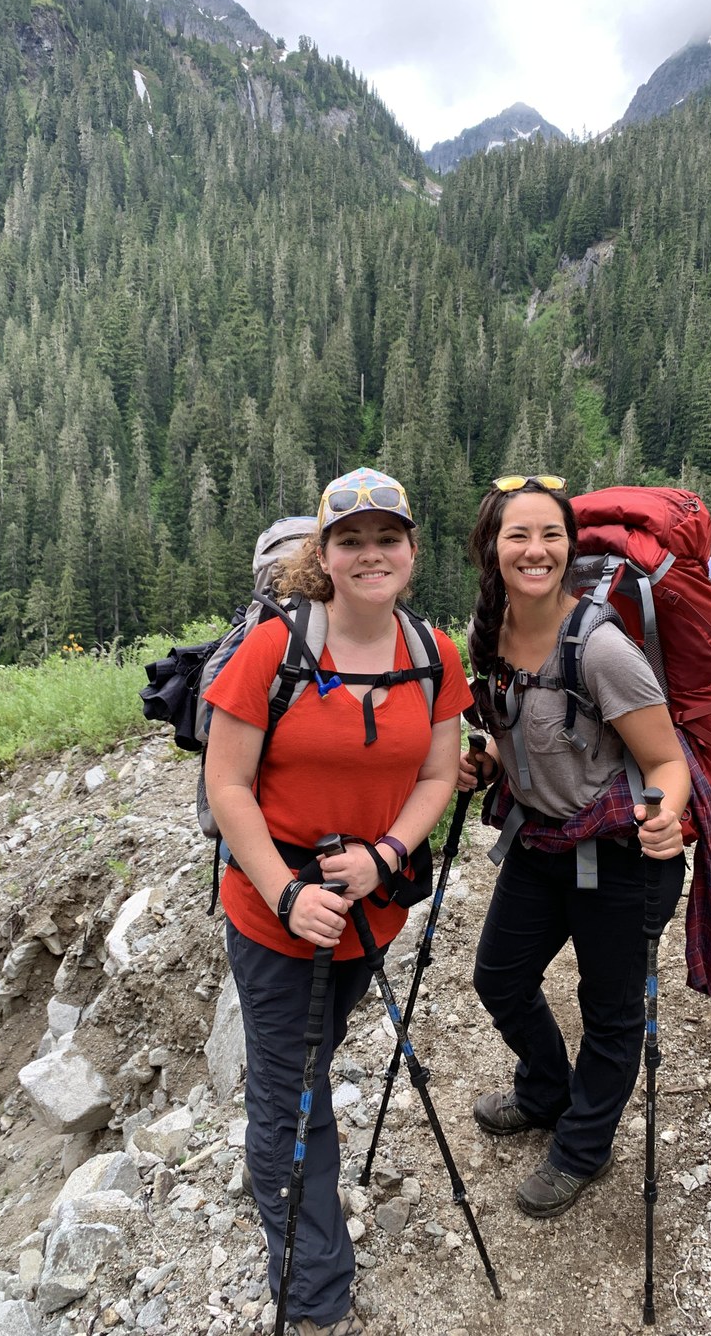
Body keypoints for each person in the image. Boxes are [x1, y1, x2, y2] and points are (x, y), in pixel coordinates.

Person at [203, 467, 471, 1336]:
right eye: (350, 540)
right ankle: (314, 1290)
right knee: (287, 1095)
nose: (370, 554)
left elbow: (438, 771)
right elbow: (228, 786)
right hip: (274, 913)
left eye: (386, 538)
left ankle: (305, 1242)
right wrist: (286, 895)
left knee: (309, 1072)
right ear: (324, 555)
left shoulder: (433, 653)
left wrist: (387, 853)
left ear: (411, 550)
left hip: (372, 907)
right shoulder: (271, 650)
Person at [458, 475, 691, 1219]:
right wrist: (491, 764)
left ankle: (583, 1146)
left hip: (617, 854)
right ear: (491, 549)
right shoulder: (488, 631)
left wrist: (667, 816)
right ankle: (547, 1091)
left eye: (551, 535)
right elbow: (513, 725)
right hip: (540, 843)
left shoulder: (602, 648)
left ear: (570, 546)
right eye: (518, 535)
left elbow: (667, 764)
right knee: (499, 978)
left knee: (611, 1012)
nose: (536, 550)